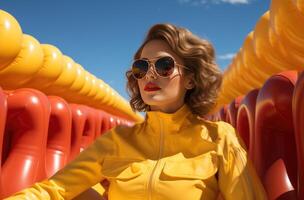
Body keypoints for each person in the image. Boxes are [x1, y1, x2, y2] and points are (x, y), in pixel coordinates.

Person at [6, 23, 267, 200]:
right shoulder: (116, 141)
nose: (150, 74)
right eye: (142, 67)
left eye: (164, 65)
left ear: (190, 78)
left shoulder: (220, 138)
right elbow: (54, 190)